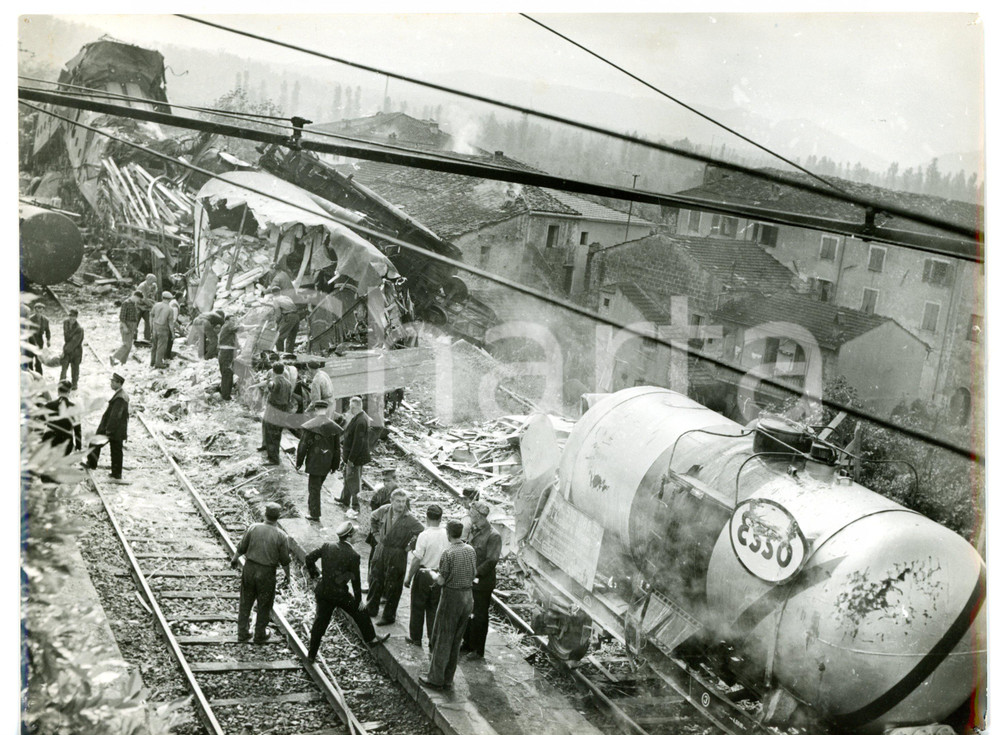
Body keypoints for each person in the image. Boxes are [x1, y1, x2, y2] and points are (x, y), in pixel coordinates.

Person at [305, 521, 389, 662]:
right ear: (349, 536)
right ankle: (371, 638)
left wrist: (315, 575)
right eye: (355, 534)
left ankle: (311, 655)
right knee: (361, 612)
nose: (357, 536)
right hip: (340, 595)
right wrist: (358, 600)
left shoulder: (327, 546)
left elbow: (309, 558)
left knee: (320, 623)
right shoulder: (353, 555)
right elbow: (355, 581)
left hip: (324, 592)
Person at [418, 520, 477, 691]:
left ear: (448, 533)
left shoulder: (448, 553)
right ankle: (447, 679)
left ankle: (435, 679)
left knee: (443, 637)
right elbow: (473, 573)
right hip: (468, 596)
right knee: (456, 639)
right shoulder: (470, 549)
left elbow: (442, 581)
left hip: (452, 597)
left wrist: (431, 574)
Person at [232, 502, 291, 644]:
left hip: (250, 568)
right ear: (279, 517)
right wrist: (288, 576)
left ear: (265, 514)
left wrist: (234, 559)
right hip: (267, 573)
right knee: (265, 603)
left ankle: (242, 633)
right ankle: (260, 634)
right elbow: (285, 560)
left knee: (246, 601)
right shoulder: (282, 536)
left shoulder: (253, 528)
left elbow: (242, 547)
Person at [365, 488, 423, 625]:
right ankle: (371, 608)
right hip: (382, 548)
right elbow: (373, 517)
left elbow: (421, 532)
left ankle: (388, 616)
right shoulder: (384, 510)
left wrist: (410, 546)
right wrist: (376, 535)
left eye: (403, 501)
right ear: (391, 501)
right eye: (398, 501)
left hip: (398, 553)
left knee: (394, 584)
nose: (401, 504)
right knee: (375, 577)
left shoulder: (410, 518)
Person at [462, 500, 503, 660]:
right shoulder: (475, 529)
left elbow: (491, 561)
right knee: (468, 613)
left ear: (479, 516)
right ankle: (467, 643)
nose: (469, 515)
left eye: (471, 514)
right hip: (470, 579)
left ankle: (478, 650)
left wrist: (475, 573)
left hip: (482, 583)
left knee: (479, 616)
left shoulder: (493, 536)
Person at [404, 504, 448, 648]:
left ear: (426, 517)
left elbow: (417, 559)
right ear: (441, 518)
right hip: (439, 574)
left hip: (423, 574)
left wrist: (408, 577)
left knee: (417, 606)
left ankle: (416, 638)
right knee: (434, 608)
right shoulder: (446, 534)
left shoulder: (424, 535)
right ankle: (432, 639)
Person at [295, 400, 342, 523]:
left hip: (314, 463)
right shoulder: (333, 426)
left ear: (316, 410)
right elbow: (337, 449)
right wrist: (334, 466)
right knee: (317, 487)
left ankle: (314, 514)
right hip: (327, 463)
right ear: (326, 410)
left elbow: (303, 446)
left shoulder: (310, 426)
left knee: (314, 489)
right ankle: (312, 510)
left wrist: (299, 462)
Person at [87, 373, 129, 483]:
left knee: (95, 443)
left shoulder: (120, 397)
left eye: (113, 382)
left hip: (113, 429)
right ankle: (116, 474)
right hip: (118, 430)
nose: (111, 383)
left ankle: (91, 465)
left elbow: (115, 416)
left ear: (119, 383)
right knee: (116, 451)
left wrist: (108, 431)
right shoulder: (121, 395)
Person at [338, 396, 371, 513]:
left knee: (354, 481)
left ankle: (356, 505)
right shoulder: (359, 417)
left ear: (356, 407)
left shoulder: (361, 421)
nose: (350, 409)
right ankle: (344, 499)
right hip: (353, 456)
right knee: (348, 477)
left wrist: (351, 459)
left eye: (351, 407)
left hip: (355, 458)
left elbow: (358, 442)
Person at [365, 468, 397, 574]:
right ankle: (370, 580)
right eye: (384, 481)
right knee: (374, 557)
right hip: (378, 531)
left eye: (388, 481)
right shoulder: (381, 491)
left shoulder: (400, 495)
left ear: (395, 480)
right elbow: (373, 503)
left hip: (390, 533)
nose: (386, 483)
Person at [260, 362, 292, 465]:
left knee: (271, 433)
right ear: (283, 370)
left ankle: (273, 459)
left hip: (274, 409)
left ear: (273, 371)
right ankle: (272, 453)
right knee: (277, 432)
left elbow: (270, 389)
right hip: (283, 409)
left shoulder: (274, 382)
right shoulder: (288, 383)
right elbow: (289, 398)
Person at [41, 379, 82, 455]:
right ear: (69, 392)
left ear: (58, 391)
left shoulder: (49, 405)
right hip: (66, 445)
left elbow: (40, 423)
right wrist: (78, 446)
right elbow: (77, 430)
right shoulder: (74, 407)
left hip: (49, 443)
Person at [112, 291, 143, 366]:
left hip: (132, 325)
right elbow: (122, 317)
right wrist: (125, 327)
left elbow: (135, 317)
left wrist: (135, 327)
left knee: (129, 346)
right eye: (139, 299)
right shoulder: (126, 303)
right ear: (135, 296)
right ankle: (113, 357)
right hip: (126, 324)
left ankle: (123, 362)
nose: (139, 301)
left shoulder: (134, 304)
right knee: (127, 345)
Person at [270, 285, 301, 353]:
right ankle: (289, 355)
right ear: (280, 292)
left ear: (273, 293)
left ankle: (280, 354)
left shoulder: (275, 299)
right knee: (291, 337)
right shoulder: (286, 297)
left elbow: (278, 314)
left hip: (289, 316)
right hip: (296, 316)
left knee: (278, 337)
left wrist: (276, 323)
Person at [59, 309, 84, 390]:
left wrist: (64, 351)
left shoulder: (79, 329)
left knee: (75, 369)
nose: (71, 319)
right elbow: (67, 338)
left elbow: (74, 343)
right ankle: (62, 385)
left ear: (76, 317)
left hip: (76, 351)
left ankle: (74, 386)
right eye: (70, 316)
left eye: (73, 317)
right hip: (67, 348)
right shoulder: (65, 323)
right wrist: (65, 350)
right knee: (64, 368)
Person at [149, 292, 175, 369]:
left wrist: (151, 326)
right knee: (161, 346)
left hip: (155, 326)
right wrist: (173, 334)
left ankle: (152, 361)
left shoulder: (156, 305)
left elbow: (151, 315)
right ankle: (158, 363)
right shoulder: (170, 309)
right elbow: (170, 323)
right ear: (169, 299)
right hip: (163, 328)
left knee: (154, 346)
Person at [217, 312, 239, 400]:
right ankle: (226, 396)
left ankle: (225, 394)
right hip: (226, 353)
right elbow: (240, 328)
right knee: (227, 373)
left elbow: (236, 341)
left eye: (235, 320)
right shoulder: (227, 326)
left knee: (227, 374)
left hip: (226, 353)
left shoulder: (228, 328)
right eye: (232, 320)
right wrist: (254, 326)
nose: (234, 322)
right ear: (226, 321)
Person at [27, 302, 50, 374]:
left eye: (40, 311)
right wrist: (34, 344)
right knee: (30, 361)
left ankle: (39, 378)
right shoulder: (30, 319)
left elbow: (48, 331)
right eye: (37, 311)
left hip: (40, 341)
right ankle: (30, 377)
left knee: (39, 361)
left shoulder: (46, 320)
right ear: (34, 310)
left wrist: (48, 340)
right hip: (30, 342)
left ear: (43, 311)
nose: (38, 313)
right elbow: (29, 333)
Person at [137, 274, 158, 341]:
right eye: (152, 281)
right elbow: (143, 299)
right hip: (139, 306)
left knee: (149, 322)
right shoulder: (142, 286)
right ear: (148, 279)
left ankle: (147, 338)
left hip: (147, 307)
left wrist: (153, 302)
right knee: (135, 322)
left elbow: (153, 296)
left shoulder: (153, 286)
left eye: (154, 281)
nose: (153, 282)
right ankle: (133, 338)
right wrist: (152, 305)